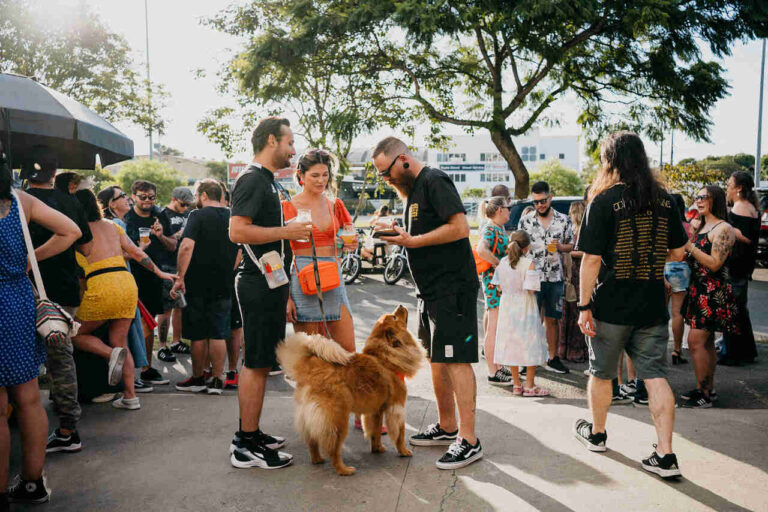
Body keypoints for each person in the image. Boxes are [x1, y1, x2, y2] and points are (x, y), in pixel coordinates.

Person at [574, 131, 687, 479]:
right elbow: (679, 251)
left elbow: (590, 260)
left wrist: (583, 307)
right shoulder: (666, 200)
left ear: (610, 161)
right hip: (652, 304)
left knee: (602, 372)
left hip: (610, 305)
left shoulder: (604, 201)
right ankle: (666, 455)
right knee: (654, 377)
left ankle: (597, 433)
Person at [374, 136, 483, 470]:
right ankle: (448, 426)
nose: (386, 179)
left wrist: (413, 240)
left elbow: (460, 228)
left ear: (403, 159)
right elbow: (423, 233)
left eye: (386, 172)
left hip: (453, 289)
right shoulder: (413, 191)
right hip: (431, 292)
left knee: (455, 360)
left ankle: (469, 440)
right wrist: (398, 231)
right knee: (438, 360)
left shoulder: (434, 180)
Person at [228, 116, 311, 469]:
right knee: (257, 361)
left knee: (262, 363)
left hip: (271, 282)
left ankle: (252, 432)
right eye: (290, 143)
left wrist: (285, 231)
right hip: (258, 283)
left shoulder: (268, 182)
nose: (294, 150)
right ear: (272, 141)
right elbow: (237, 232)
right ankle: (246, 444)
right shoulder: (251, 180)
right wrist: (287, 232)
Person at [0, 155, 81, 506]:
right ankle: (32, 484)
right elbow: (72, 231)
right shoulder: (22, 202)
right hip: (18, 300)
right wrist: (30, 260)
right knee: (29, 398)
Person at [72, 189, 176, 411]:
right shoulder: (113, 226)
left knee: (74, 334)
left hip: (101, 285)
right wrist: (159, 272)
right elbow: (138, 253)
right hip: (127, 284)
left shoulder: (75, 232)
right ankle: (130, 396)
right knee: (121, 341)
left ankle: (110, 354)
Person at [21, 156, 92, 455]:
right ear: (55, 174)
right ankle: (66, 427)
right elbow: (86, 247)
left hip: (24, 291)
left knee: (21, 363)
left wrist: (30, 258)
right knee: (61, 359)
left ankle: (27, 421)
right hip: (64, 292)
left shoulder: (17, 202)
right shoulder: (70, 202)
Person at [172, 180, 239, 395]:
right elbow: (240, 251)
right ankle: (218, 380)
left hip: (197, 281)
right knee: (219, 332)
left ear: (202, 196)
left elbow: (186, 246)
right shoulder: (233, 216)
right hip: (224, 281)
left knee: (198, 333)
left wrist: (180, 277)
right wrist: (228, 269)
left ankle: (199, 378)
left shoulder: (197, 216)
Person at [680, 185, 737, 408]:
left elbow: (714, 264)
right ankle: (706, 389)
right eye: (698, 197)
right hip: (698, 291)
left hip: (712, 293)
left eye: (705, 197)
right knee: (706, 343)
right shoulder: (703, 226)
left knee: (695, 342)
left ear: (716, 200)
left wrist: (690, 248)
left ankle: (703, 394)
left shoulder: (723, 229)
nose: (699, 201)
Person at [97, 185, 154, 394]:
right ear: (111, 204)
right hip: (122, 282)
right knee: (128, 335)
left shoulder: (111, 223)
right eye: (122, 196)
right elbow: (118, 255)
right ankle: (129, 383)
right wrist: (140, 250)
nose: (128, 199)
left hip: (110, 283)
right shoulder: (116, 223)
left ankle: (126, 382)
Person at [124, 180, 176, 386]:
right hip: (131, 275)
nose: (147, 201)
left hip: (154, 276)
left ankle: (145, 368)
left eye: (151, 197)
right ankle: (133, 373)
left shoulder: (160, 215)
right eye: (142, 196)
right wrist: (138, 249)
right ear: (133, 196)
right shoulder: (127, 218)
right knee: (130, 324)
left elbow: (173, 246)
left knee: (149, 322)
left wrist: (161, 236)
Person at [519, 181, 573, 374]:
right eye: (536, 202)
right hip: (532, 276)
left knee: (552, 319)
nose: (540, 205)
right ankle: (529, 359)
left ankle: (553, 358)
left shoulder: (563, 220)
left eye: (543, 201)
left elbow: (571, 245)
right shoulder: (525, 221)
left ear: (550, 198)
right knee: (532, 319)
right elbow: (518, 246)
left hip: (555, 276)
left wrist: (560, 248)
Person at [493, 231, 550, 396]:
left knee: (512, 344)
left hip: (508, 306)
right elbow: (531, 289)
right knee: (529, 343)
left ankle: (517, 384)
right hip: (525, 306)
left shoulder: (503, 263)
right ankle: (530, 385)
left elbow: (498, 287)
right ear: (527, 247)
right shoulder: (528, 263)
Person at [719, 171, 760, 366]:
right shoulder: (749, 206)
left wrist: (731, 230)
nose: (727, 187)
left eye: (730, 184)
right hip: (742, 266)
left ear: (739, 188)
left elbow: (745, 239)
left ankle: (733, 353)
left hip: (736, 265)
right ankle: (745, 351)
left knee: (731, 309)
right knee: (739, 310)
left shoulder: (741, 207)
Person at [475, 196, 512, 385]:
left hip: (495, 284)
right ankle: (492, 371)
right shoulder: (490, 228)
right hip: (493, 284)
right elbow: (481, 249)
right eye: (508, 207)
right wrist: (499, 264)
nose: (509, 211)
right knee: (494, 328)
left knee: (496, 328)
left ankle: (496, 366)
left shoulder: (496, 228)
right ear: (499, 210)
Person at [157, 186, 194, 363]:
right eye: (183, 204)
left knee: (180, 306)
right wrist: (176, 235)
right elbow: (160, 239)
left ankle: (176, 341)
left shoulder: (189, 214)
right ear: (174, 199)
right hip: (167, 265)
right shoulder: (163, 215)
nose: (186, 208)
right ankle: (163, 345)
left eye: (188, 205)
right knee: (166, 309)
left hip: (184, 266)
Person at [558, 200, 587, 363]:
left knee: (576, 312)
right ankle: (565, 350)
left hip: (579, 275)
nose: (569, 215)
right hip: (569, 275)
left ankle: (576, 351)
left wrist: (568, 251)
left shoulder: (584, 231)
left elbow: (586, 253)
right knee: (566, 313)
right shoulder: (570, 230)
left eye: (571, 212)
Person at [664, 194, 691, 365]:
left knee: (660, 313)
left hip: (662, 268)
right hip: (681, 268)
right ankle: (677, 350)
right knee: (677, 313)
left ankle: (657, 351)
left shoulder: (661, 224)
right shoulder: (689, 227)